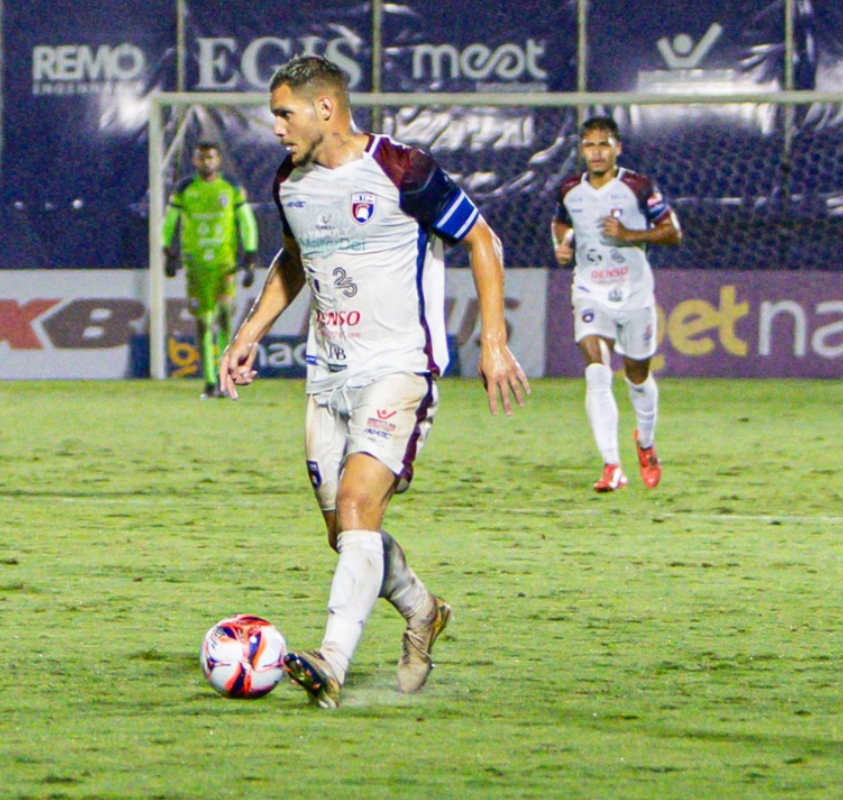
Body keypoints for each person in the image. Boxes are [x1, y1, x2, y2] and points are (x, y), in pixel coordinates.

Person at [219, 55, 530, 708]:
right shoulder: (291, 182)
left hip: (399, 370)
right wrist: (248, 335)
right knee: (345, 534)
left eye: (284, 113)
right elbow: (294, 260)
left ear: (325, 108)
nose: (275, 128)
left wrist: (494, 342)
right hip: (325, 376)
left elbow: (483, 240)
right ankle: (424, 610)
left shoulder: (402, 170)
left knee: (360, 507)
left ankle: (330, 663)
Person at [551, 116, 682, 492]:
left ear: (617, 148)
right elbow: (562, 223)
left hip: (634, 292)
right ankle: (611, 465)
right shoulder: (569, 189)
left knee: (638, 376)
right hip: (590, 289)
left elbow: (673, 233)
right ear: (581, 150)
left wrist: (629, 235)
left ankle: (645, 443)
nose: (596, 152)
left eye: (603, 144)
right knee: (596, 369)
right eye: (589, 145)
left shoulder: (638, 186)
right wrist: (562, 245)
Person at [162, 141, 260, 398]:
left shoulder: (230, 186)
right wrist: (167, 252)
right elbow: (169, 221)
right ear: (195, 161)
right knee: (204, 323)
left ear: (218, 160)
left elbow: (246, 219)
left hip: (224, 265)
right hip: (196, 265)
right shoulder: (185, 188)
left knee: (225, 317)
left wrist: (250, 254)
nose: (207, 162)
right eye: (202, 158)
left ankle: (224, 377)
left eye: (211, 158)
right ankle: (208, 381)